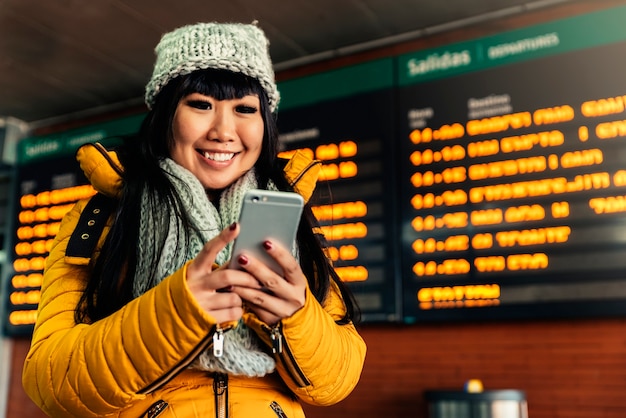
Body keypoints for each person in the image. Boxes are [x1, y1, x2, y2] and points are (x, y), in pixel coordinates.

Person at [22, 21, 366, 418]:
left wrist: (296, 318)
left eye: (245, 109)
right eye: (201, 105)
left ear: (265, 122)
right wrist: (177, 312)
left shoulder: (289, 215)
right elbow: (51, 382)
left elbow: (338, 381)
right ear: (166, 115)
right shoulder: (101, 216)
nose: (223, 131)